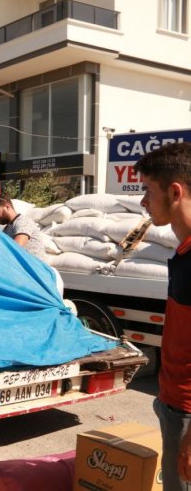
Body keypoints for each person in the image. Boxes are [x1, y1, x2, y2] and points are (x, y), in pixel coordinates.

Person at [135, 142, 191, 491]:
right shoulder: (184, 251)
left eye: (147, 190)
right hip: (175, 404)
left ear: (175, 191)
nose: (143, 202)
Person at [0, 193, 46, 260]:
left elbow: (16, 249)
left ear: (7, 207)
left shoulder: (23, 221)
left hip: (35, 268)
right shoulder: (7, 229)